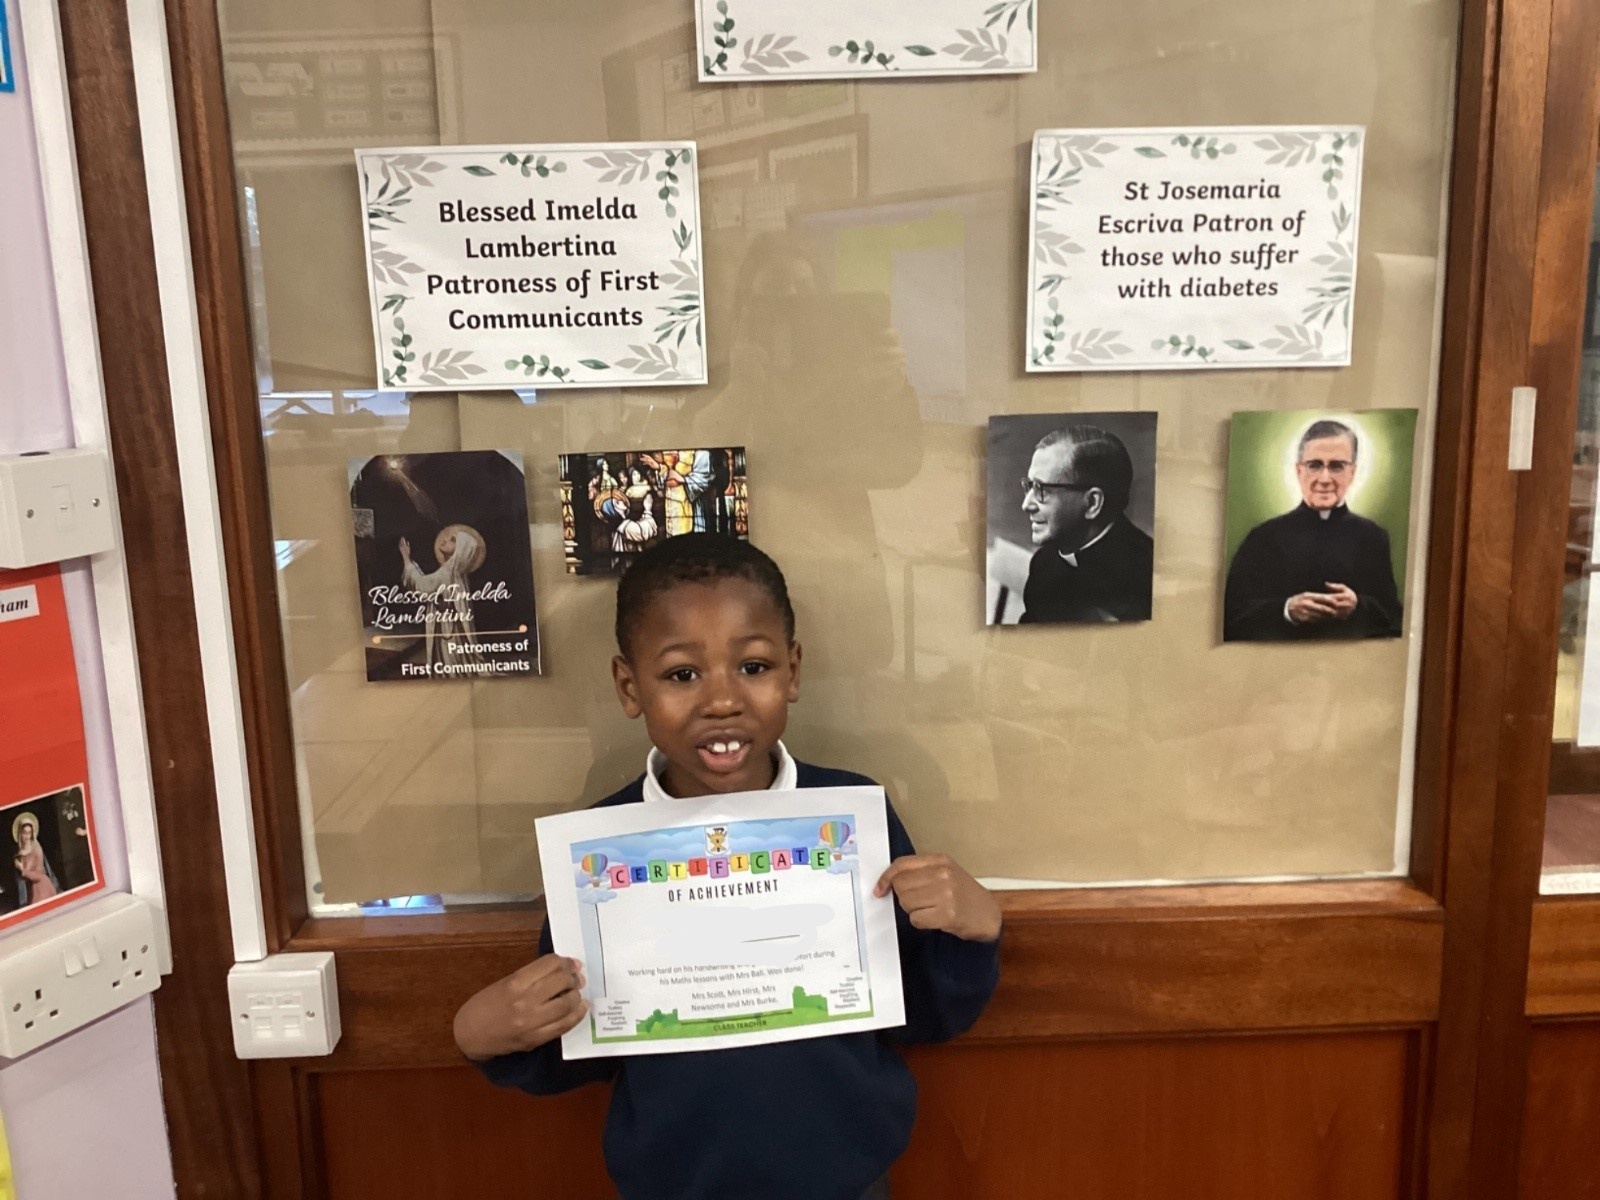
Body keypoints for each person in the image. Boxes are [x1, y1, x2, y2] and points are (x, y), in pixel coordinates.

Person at [453, 534, 1002, 1200]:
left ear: (792, 672)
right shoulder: (598, 851)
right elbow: (578, 1040)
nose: (721, 701)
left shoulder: (853, 817)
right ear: (629, 686)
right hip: (672, 1186)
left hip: (846, 1182)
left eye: (754, 666)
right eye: (682, 675)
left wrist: (975, 934)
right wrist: (482, 1034)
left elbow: (918, 1012)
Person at [1223, 419, 1404, 642]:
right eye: (1315, 465)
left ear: (1352, 472)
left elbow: (1395, 622)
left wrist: (1358, 605)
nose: (1324, 479)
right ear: (1299, 471)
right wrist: (1287, 610)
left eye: (1337, 466)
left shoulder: (1373, 537)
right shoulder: (1263, 538)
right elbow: (1231, 619)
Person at [1017, 426, 1154, 623]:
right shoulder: (1044, 562)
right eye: (1030, 486)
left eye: (1042, 489)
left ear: (1092, 503)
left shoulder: (1147, 577)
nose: (1026, 505)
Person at [399, 524, 483, 666]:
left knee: (448, 664)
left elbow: (421, 586)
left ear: (460, 550)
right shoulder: (458, 574)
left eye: (453, 540)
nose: (445, 540)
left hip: (447, 631)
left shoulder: (446, 573)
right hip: (451, 630)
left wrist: (406, 559)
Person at [13, 813, 60, 907]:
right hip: (30, 891)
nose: (27, 836)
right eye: (24, 833)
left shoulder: (36, 849)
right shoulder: (19, 855)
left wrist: (23, 870)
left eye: (29, 833)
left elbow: (39, 875)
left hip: (41, 888)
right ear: (20, 834)